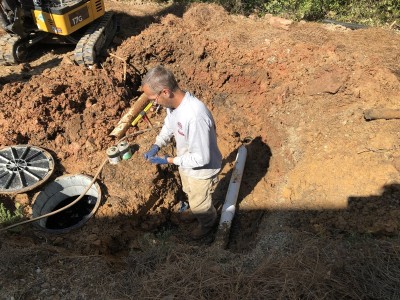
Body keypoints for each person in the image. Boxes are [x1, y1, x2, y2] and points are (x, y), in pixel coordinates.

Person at [142, 65, 222, 240]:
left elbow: (202, 158)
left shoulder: (194, 117)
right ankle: (196, 209)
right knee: (189, 191)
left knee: (200, 201)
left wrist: (169, 160)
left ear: (165, 92)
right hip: (186, 163)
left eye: (153, 99)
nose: (153, 103)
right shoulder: (173, 106)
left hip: (201, 170)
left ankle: (208, 224)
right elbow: (169, 125)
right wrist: (157, 144)